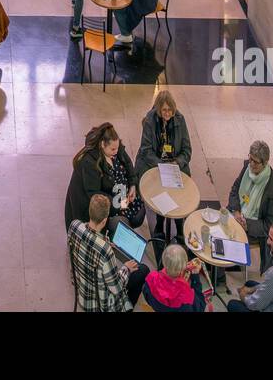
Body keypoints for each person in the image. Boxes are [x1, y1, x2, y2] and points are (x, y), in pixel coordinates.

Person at [68, 194, 148, 312]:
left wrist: (103, 241)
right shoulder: (106, 252)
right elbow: (116, 287)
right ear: (105, 220)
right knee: (143, 270)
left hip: (82, 290)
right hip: (99, 305)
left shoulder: (74, 225)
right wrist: (126, 268)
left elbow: (87, 238)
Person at [134, 90, 193, 244]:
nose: (167, 113)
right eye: (164, 110)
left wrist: (177, 163)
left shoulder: (180, 120)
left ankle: (180, 227)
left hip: (175, 164)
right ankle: (159, 225)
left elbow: (187, 150)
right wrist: (162, 167)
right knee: (160, 191)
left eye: (170, 110)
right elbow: (146, 150)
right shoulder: (150, 120)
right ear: (158, 109)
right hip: (154, 163)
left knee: (179, 192)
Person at [64, 122, 144, 231]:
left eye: (117, 148)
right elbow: (94, 194)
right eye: (112, 149)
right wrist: (117, 204)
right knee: (124, 225)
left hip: (121, 197)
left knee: (139, 214)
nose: (116, 152)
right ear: (102, 144)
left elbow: (128, 164)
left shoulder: (115, 147)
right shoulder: (90, 162)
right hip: (106, 204)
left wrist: (133, 185)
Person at [227, 139, 273, 272]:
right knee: (217, 229)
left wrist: (246, 224)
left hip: (255, 228)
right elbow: (235, 190)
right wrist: (236, 211)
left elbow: (270, 225)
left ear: (265, 163)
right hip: (238, 215)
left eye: (255, 162)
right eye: (250, 158)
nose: (251, 164)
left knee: (227, 235)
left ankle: (220, 276)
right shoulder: (247, 168)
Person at [142, 243, 206, 312]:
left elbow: (146, 295)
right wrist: (195, 276)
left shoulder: (151, 277)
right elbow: (201, 307)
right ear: (183, 267)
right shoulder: (186, 294)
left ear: (163, 261)